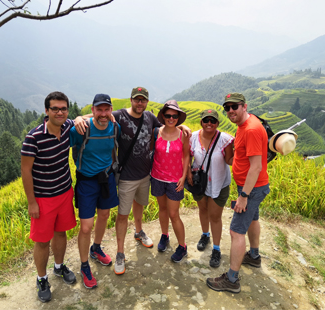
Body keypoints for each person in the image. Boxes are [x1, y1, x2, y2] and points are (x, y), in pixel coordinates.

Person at [75, 87, 191, 275]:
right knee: (122, 215)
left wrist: (182, 127)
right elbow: (100, 115)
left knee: (140, 205)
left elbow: (167, 126)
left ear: (146, 102)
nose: (140, 103)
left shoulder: (150, 117)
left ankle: (139, 231)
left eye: (143, 100)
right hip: (127, 177)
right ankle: (120, 253)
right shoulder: (119, 116)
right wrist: (79, 119)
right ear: (131, 100)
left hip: (146, 175)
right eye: (136, 100)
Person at [207, 93, 270, 293]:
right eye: (227, 107)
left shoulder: (251, 129)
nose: (231, 111)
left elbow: (255, 167)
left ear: (244, 106)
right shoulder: (246, 124)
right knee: (253, 219)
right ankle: (254, 255)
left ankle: (232, 280)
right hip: (253, 186)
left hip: (250, 188)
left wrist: (244, 196)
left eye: (235, 106)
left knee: (236, 231)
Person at [21, 91, 77, 303]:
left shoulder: (67, 127)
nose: (59, 112)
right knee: (42, 240)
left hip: (64, 192)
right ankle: (42, 278)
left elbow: (85, 118)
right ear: (46, 111)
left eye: (63, 108)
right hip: (43, 198)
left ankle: (59, 267)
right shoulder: (33, 138)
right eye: (55, 108)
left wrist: (107, 115)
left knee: (61, 233)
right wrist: (31, 202)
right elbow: (26, 171)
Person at [70, 93, 120, 288]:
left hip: (106, 178)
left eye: (107, 109)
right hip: (86, 181)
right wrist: (78, 118)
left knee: (105, 215)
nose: (103, 113)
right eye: (99, 109)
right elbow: (59, 128)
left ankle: (96, 248)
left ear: (111, 110)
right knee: (85, 226)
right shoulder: (81, 129)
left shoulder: (115, 127)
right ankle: (84, 265)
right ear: (92, 110)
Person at [187, 109, 234, 268]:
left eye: (212, 121)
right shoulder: (192, 137)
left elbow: (229, 160)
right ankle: (205, 235)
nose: (209, 123)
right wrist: (187, 172)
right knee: (202, 209)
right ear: (201, 122)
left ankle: (216, 248)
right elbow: (187, 157)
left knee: (215, 216)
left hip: (219, 183)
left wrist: (245, 154)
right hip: (199, 183)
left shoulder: (225, 139)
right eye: (206, 120)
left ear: (217, 123)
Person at [151, 100, 190, 263]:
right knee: (162, 209)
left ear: (178, 117)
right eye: (168, 115)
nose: (171, 118)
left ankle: (182, 246)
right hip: (157, 177)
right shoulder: (156, 132)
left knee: (174, 214)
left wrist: (184, 176)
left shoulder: (183, 135)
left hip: (175, 180)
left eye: (174, 116)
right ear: (163, 116)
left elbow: (187, 155)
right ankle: (165, 236)